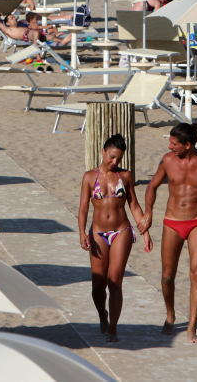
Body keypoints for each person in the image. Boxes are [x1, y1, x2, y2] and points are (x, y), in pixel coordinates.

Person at [139, 123, 197, 343]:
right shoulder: (167, 160)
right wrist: (149, 212)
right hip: (172, 223)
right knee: (168, 276)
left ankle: (192, 327)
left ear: (187, 144)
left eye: (174, 143)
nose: (170, 146)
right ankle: (170, 314)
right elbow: (152, 187)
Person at [78, 134, 153, 342]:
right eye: (112, 157)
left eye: (119, 159)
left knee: (115, 282)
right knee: (97, 286)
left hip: (121, 231)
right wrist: (81, 232)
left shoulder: (125, 176)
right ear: (103, 152)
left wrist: (144, 232)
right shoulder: (89, 177)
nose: (115, 162)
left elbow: (134, 206)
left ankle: (113, 327)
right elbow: (83, 208)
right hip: (97, 233)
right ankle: (103, 314)